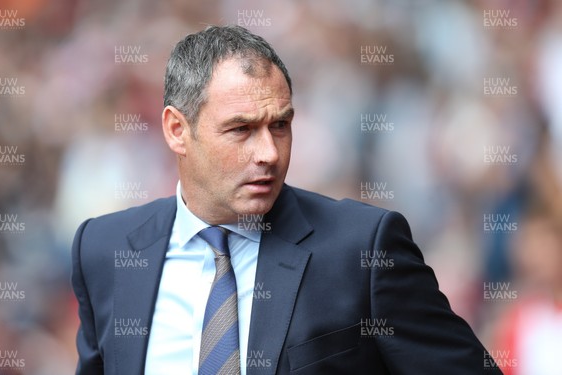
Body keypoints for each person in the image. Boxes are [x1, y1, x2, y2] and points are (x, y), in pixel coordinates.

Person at [71, 25, 502, 374]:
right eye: (240, 129)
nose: (270, 153)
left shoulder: (364, 248)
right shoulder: (104, 250)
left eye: (280, 125)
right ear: (176, 131)